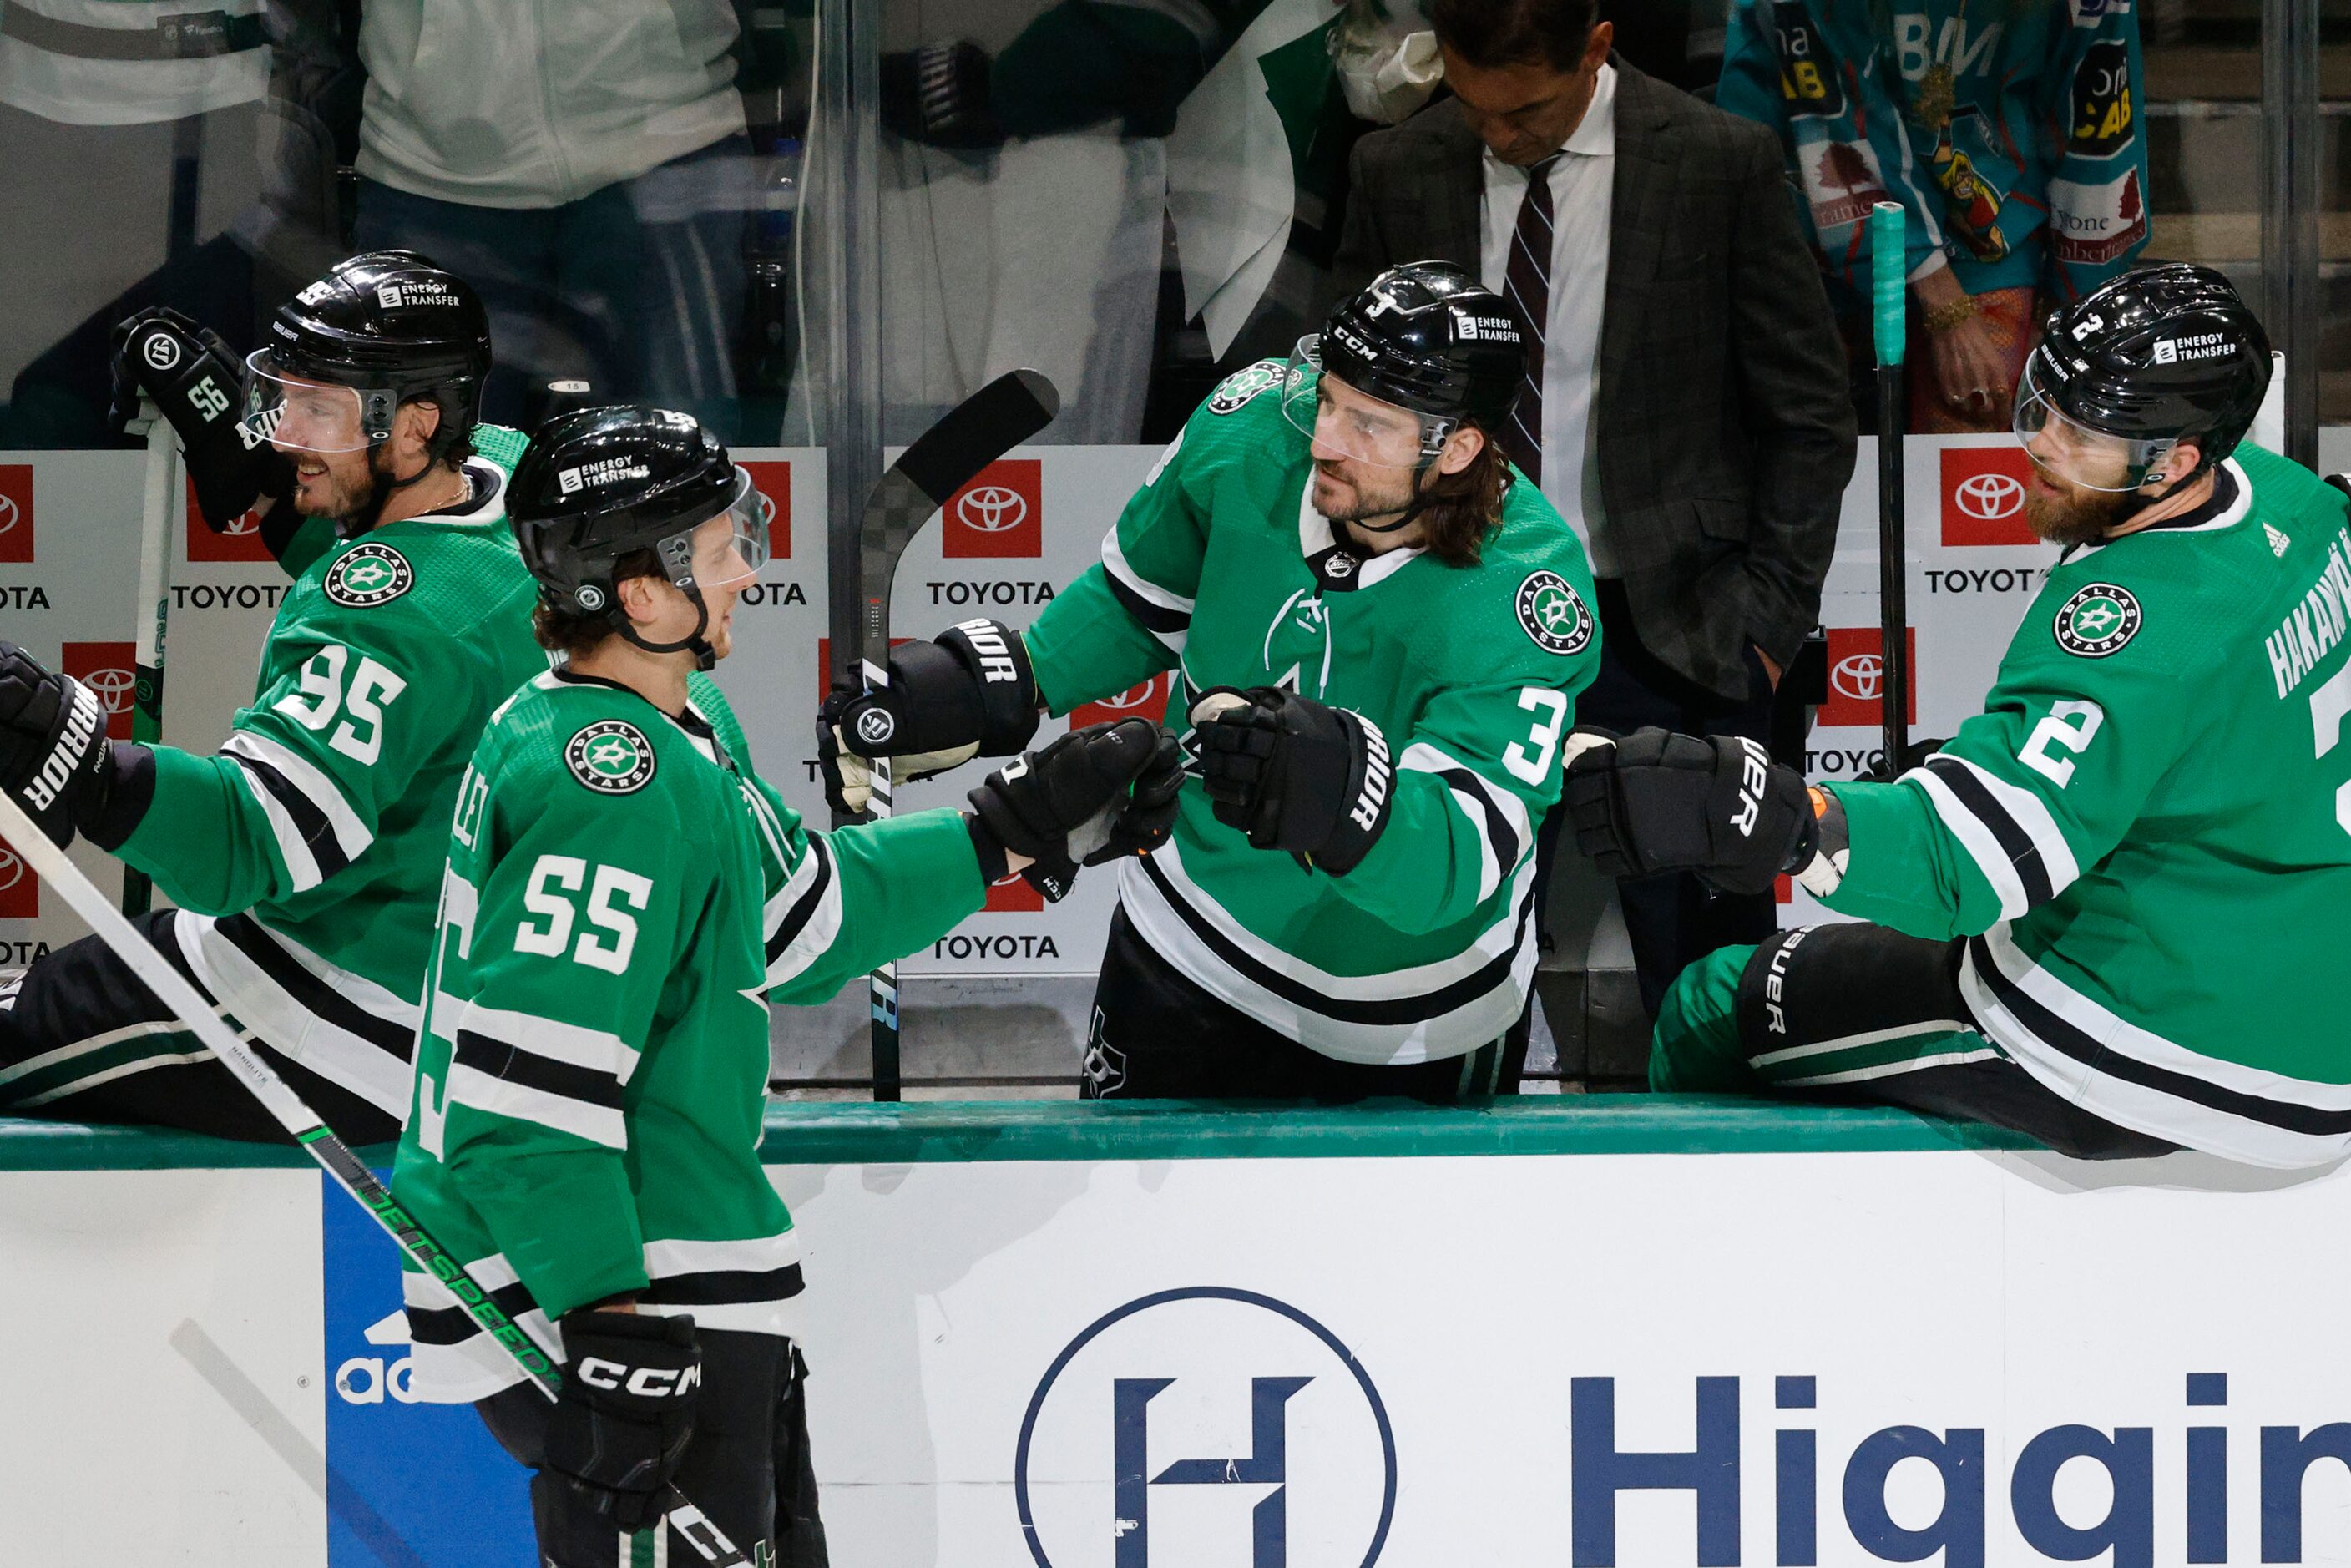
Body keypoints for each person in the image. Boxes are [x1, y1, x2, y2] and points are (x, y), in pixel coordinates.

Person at [390, 404, 1180, 1565]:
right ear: (644, 594)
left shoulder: (664, 730)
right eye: (722, 550)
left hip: (670, 1275)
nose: (750, 572)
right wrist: (610, 1323)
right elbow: (527, 1103)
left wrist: (1007, 834)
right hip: (626, 1291)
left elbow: (803, 914)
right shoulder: (609, 784)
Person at [1563, 266, 2351, 1167]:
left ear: (2171, 463)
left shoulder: (2134, 626)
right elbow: (2219, 725)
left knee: (1711, 1000)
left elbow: (1968, 866)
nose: (2041, 445)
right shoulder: (2297, 503)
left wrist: (1777, 822)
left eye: (2080, 435)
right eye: (2043, 406)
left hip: (2165, 1041)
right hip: (2312, 982)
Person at [823, 262, 1600, 1100]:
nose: (1325, 439)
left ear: (1458, 448)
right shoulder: (1251, 428)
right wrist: (1010, 682)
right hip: (1188, 945)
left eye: (1368, 424)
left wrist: (1331, 789)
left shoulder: (1526, 595)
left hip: (1415, 1010)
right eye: (1329, 397)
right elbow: (1138, 606)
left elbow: (1456, 862)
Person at [1332, 0, 1853, 1017]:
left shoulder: (1717, 163)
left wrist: (1766, 619)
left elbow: (1806, 413)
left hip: (1674, 630)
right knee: (1424, 945)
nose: (1497, 133)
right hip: (1453, 614)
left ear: (1598, 49)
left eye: (1525, 110)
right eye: (1472, 105)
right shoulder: (1396, 168)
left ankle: (1714, 1170)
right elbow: (1345, 399)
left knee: (1703, 981)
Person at [0, 250, 549, 1145]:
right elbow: (450, 617)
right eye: (284, 396)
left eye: (317, 411)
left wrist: (82, 765)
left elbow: (252, 842)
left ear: (413, 425)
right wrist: (276, 496)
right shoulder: (507, 475)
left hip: (336, 1020)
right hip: (460, 990)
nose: (284, 431)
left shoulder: (385, 616)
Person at [1716, 0, 2149, 433]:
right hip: (1808, 188)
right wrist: (1945, 305)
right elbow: (1834, 123)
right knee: (1804, 430)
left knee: (1986, 420)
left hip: (1993, 214)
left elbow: (2098, 131)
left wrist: (2072, 319)